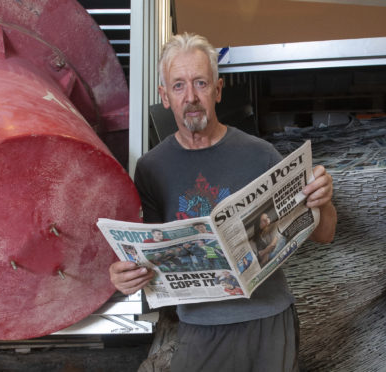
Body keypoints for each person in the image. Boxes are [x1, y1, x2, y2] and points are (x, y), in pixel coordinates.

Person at [109, 32, 337, 372]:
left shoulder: (260, 155)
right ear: (164, 96)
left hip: (269, 319)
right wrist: (123, 276)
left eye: (201, 83)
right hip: (200, 328)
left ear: (217, 90)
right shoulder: (151, 168)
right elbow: (148, 254)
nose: (191, 97)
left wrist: (325, 200)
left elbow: (325, 234)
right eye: (178, 86)